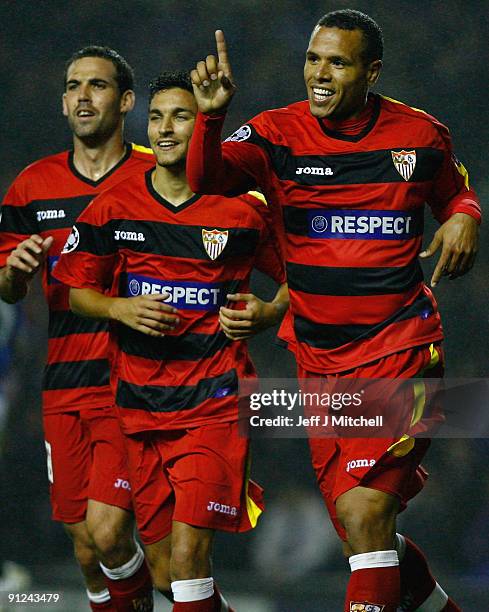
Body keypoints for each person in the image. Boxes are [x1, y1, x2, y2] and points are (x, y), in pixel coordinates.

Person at [187, 9, 481, 612]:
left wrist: (463, 218)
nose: (319, 74)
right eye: (312, 59)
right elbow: (206, 179)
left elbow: (457, 192)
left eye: (337, 63)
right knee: (363, 532)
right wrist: (210, 117)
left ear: (371, 72)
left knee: (364, 508)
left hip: (404, 349)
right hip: (319, 362)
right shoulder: (274, 132)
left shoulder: (420, 135)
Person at [53, 71, 288, 612]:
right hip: (137, 408)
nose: (164, 128)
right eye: (156, 116)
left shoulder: (242, 210)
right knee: (164, 572)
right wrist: (118, 306)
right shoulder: (115, 206)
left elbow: (303, 276)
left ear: (201, 127)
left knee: (188, 559)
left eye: (180, 116)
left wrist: (268, 312)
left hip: (213, 406)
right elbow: (76, 289)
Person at [0, 46, 156, 611]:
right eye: (73, 86)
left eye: (97, 85)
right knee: (88, 547)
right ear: (63, 101)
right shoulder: (31, 186)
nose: (83, 96)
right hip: (63, 382)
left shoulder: (154, 173)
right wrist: (13, 275)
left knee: (111, 532)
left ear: (126, 100)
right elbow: (5, 286)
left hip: (132, 379)